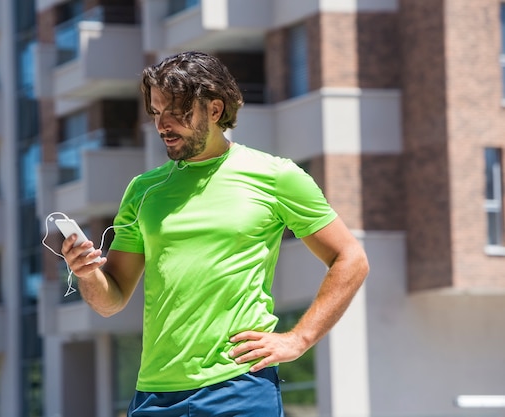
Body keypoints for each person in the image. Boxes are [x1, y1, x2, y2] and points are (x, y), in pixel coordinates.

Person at [61, 51, 369, 416]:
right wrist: (87, 273)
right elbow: (110, 300)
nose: (164, 124)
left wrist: (299, 339)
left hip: (240, 386)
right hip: (155, 394)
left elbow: (351, 259)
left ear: (215, 110)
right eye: (157, 113)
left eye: (177, 112)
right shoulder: (143, 190)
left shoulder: (276, 176)